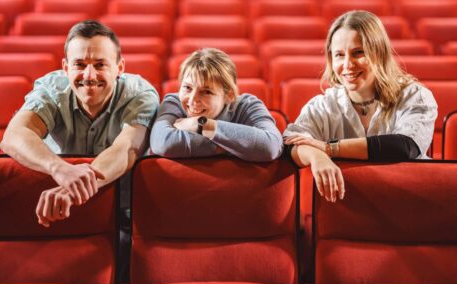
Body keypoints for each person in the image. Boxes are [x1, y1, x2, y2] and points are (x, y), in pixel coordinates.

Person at [0, 20, 159, 227]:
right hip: (55, 209)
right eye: (80, 64)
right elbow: (14, 136)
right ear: (66, 68)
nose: (89, 76)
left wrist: (71, 189)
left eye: (100, 64)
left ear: (120, 68)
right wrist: (59, 169)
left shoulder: (140, 95)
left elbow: (126, 149)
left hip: (121, 211)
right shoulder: (51, 90)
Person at [283, 10, 437, 202]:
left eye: (358, 53)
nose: (347, 65)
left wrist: (329, 149)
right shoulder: (323, 105)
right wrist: (316, 156)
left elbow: (405, 146)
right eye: (339, 55)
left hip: (409, 202)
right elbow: (289, 144)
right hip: (350, 209)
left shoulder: (415, 96)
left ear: (379, 53)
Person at [150, 48, 283, 161]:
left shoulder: (248, 105)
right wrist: (234, 146)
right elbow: (162, 143)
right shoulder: (173, 102)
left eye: (206, 92)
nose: (192, 100)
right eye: (187, 88)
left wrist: (201, 125)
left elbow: (271, 146)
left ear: (229, 95)